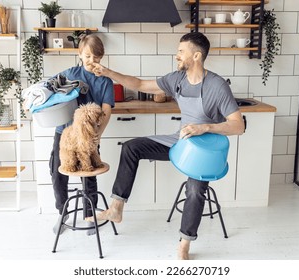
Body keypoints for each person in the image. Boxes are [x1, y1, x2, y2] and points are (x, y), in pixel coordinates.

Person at [90, 32, 245, 259]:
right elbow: (141, 84)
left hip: (203, 150)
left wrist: (206, 128)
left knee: (194, 190)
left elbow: (238, 126)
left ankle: (185, 243)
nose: (177, 55)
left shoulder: (217, 86)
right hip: (179, 140)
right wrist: (108, 72)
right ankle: (116, 207)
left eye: (182, 51)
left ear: (197, 56)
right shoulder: (177, 79)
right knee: (132, 147)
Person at [50, 34, 114, 235]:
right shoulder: (70, 73)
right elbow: (48, 88)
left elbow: (106, 110)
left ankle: (89, 215)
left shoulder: (105, 82)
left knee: (89, 174)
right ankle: (63, 213)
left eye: (96, 57)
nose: (91, 61)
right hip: (64, 133)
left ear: (101, 57)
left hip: (89, 136)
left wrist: (97, 136)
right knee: (57, 171)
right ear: (80, 54)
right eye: (87, 56)